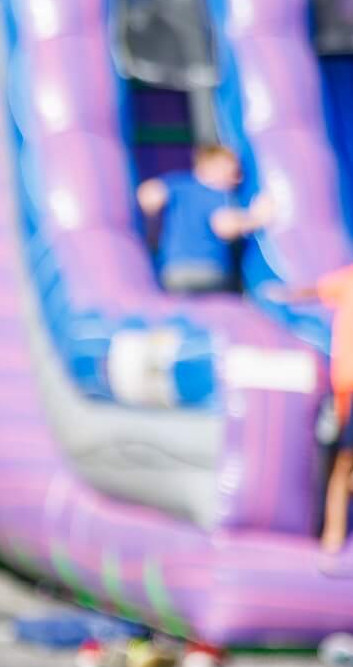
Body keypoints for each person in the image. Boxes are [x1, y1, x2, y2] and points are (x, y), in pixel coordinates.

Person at [266, 261, 353, 551]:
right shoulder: (348, 278)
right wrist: (285, 294)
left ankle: (333, 536)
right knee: (341, 464)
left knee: (342, 465)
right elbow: (316, 290)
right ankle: (332, 537)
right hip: (345, 390)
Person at [136, 144, 271, 294]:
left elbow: (148, 194)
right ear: (210, 168)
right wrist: (256, 219)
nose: (238, 180)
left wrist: (152, 228)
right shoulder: (217, 195)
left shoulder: (180, 185)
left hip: (173, 270)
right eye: (233, 173)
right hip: (209, 269)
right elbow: (224, 227)